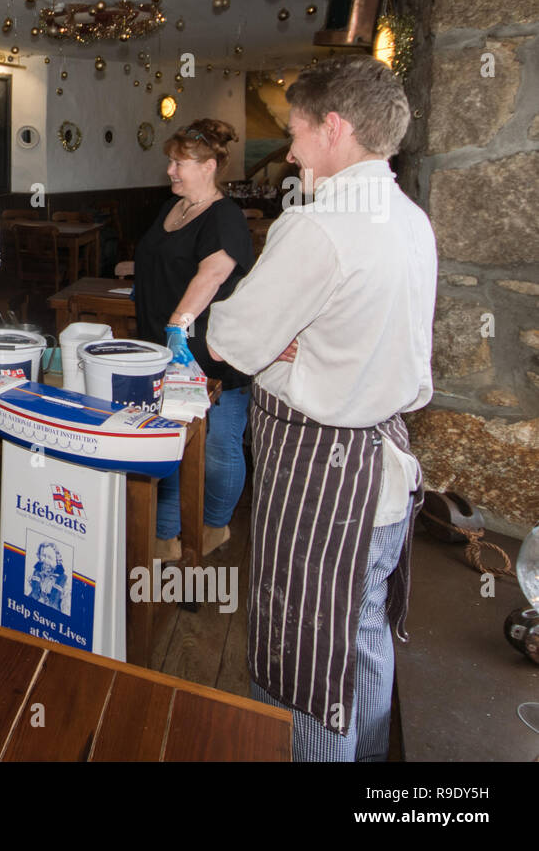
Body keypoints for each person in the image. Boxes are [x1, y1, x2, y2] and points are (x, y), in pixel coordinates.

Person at [206, 56, 436, 762]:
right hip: (384, 476)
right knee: (362, 638)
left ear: (334, 128)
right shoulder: (410, 218)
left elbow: (231, 337)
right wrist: (297, 346)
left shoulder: (320, 224)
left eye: (299, 132)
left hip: (322, 483)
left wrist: (287, 348)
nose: (292, 150)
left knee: (309, 670)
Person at [132, 119, 254, 563]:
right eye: (170, 160)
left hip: (206, 353)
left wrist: (177, 325)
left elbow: (214, 272)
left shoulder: (225, 216)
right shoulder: (172, 208)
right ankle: (165, 534)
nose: (169, 170)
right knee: (170, 443)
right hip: (161, 353)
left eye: (179, 162)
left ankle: (215, 526)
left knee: (219, 448)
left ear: (208, 167)